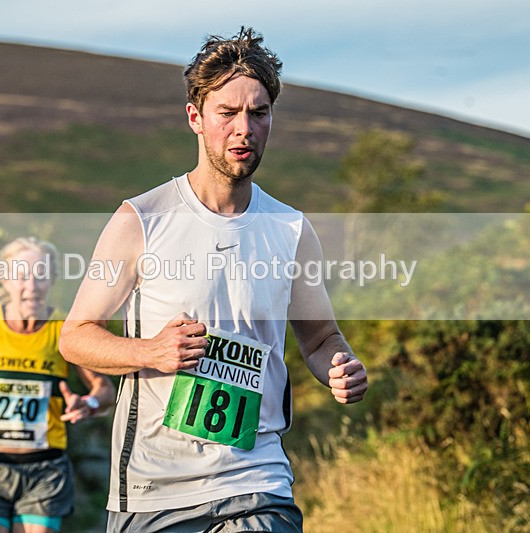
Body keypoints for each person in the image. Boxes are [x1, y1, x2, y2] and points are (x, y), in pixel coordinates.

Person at [59, 27, 368, 532]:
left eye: (258, 113)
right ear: (195, 119)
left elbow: (319, 337)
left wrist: (340, 364)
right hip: (154, 489)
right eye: (228, 113)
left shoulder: (290, 229)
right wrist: (149, 352)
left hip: (257, 481)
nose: (243, 128)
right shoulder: (141, 219)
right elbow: (75, 336)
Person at [0, 236, 115, 533]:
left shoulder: (65, 329)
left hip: (44, 470)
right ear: (4, 280)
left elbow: (105, 390)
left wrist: (89, 403)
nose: (31, 285)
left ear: (52, 280)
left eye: (41, 275)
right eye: (21, 275)